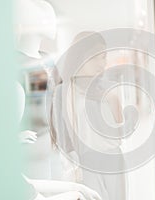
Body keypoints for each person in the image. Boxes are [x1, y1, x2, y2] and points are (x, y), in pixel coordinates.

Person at [50, 31, 127, 200]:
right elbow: (62, 138)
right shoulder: (63, 91)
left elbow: (120, 134)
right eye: (96, 56)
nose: (102, 62)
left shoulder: (108, 89)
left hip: (113, 160)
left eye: (104, 56)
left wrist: (113, 99)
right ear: (80, 57)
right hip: (84, 163)